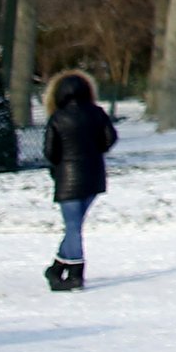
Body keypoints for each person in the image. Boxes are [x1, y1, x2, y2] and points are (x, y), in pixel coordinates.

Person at [41, 71, 117, 292]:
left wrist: (61, 164)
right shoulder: (98, 113)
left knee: (73, 227)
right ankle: (56, 268)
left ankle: (75, 273)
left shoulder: (58, 118)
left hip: (68, 179)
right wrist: (94, 151)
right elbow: (110, 139)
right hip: (94, 176)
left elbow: (50, 151)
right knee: (74, 226)